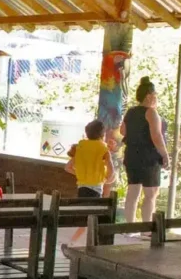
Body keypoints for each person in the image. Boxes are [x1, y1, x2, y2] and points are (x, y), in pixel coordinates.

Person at [120, 76, 170, 223]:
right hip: (148, 157)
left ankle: (130, 226)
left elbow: (123, 131)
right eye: (155, 95)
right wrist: (165, 154)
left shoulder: (131, 112)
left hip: (131, 155)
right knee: (151, 193)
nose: (156, 98)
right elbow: (156, 136)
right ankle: (146, 228)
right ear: (149, 96)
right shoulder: (151, 113)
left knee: (133, 191)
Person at [65, 119, 115, 246]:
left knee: (86, 218)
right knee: (92, 218)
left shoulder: (80, 147)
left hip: (82, 187)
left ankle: (76, 242)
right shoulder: (103, 148)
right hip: (96, 189)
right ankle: (78, 242)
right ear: (102, 134)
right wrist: (106, 179)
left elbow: (68, 167)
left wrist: (81, 175)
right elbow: (111, 171)